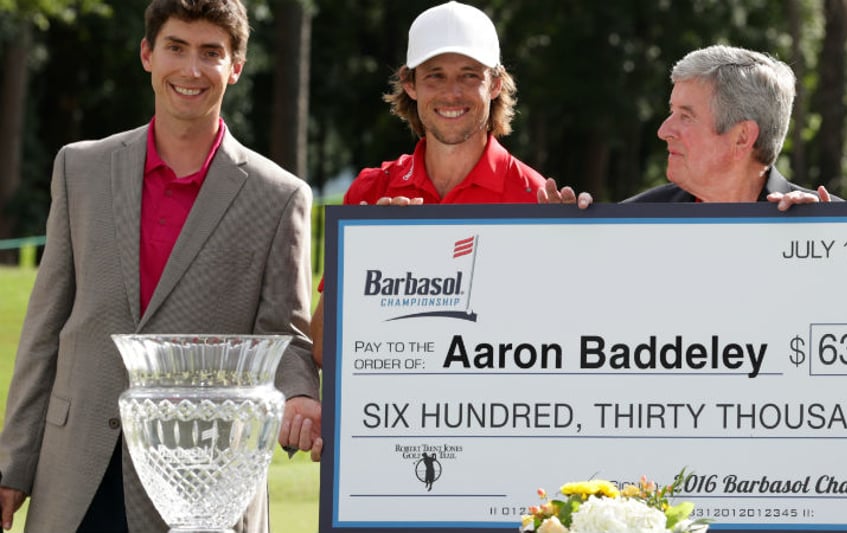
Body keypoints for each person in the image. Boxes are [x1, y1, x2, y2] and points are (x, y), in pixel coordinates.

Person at [0, 0, 322, 531]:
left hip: (204, 483)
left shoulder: (279, 196)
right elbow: (45, 328)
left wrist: (302, 395)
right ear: (148, 54)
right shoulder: (79, 169)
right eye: (176, 47)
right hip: (76, 473)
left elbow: (284, 337)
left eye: (211, 53)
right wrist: (13, 462)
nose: (191, 69)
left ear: (235, 67)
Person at [301, 1, 571, 455]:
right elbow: (325, 349)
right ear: (409, 84)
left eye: (469, 75)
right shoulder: (371, 191)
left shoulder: (535, 198)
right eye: (435, 76)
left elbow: (560, 354)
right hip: (391, 444)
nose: (452, 93)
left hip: (502, 446)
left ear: (495, 83)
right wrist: (368, 259)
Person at [626, 44, 836, 207]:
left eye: (686, 117)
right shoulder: (632, 223)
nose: (663, 131)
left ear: (742, 137)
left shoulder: (827, 221)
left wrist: (823, 240)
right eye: (672, 112)